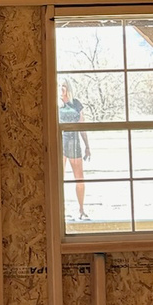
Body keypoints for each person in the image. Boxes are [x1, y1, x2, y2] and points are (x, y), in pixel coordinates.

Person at [57, 80, 91, 220]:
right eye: (59, 86)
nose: (61, 89)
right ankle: (61, 210)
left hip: (74, 142)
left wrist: (87, 146)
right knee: (60, 178)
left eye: (63, 86)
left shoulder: (76, 104)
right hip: (60, 142)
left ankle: (81, 209)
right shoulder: (55, 104)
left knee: (80, 178)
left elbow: (82, 126)